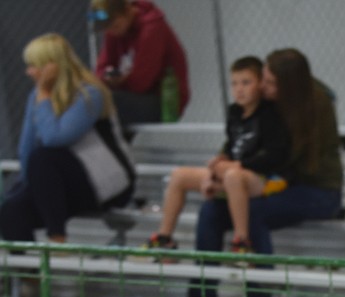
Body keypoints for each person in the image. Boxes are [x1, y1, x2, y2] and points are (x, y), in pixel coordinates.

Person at [185, 48, 343, 297]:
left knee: (254, 211)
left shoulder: (315, 106)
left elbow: (293, 163)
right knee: (210, 212)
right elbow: (243, 140)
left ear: (287, 85)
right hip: (269, 181)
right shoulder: (270, 103)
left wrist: (240, 171)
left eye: (269, 82)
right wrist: (223, 162)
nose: (262, 85)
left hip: (315, 189)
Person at [145, 56, 290, 258]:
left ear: (260, 85)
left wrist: (236, 165)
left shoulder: (270, 114)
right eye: (235, 83)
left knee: (232, 176)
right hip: (233, 172)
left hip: (262, 178)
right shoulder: (234, 112)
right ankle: (164, 238)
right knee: (179, 175)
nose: (239, 89)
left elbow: (274, 156)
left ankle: (241, 241)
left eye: (246, 83)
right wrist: (213, 173)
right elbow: (231, 147)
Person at [0, 33, 134, 244]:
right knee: (11, 211)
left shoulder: (90, 94)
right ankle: (32, 276)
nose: (28, 72)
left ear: (50, 67)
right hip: (60, 186)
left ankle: (57, 240)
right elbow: (25, 148)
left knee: (43, 156)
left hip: (107, 182)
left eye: (33, 66)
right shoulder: (36, 96)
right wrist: (27, 188)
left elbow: (55, 138)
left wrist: (43, 95)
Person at [90, 0, 189, 131]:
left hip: (164, 102)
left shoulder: (152, 29)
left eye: (115, 26)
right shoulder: (114, 31)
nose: (112, 32)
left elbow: (140, 84)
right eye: (107, 29)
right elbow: (101, 69)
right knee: (92, 97)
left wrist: (118, 81)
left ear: (128, 12)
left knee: (104, 101)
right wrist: (108, 77)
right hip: (131, 95)